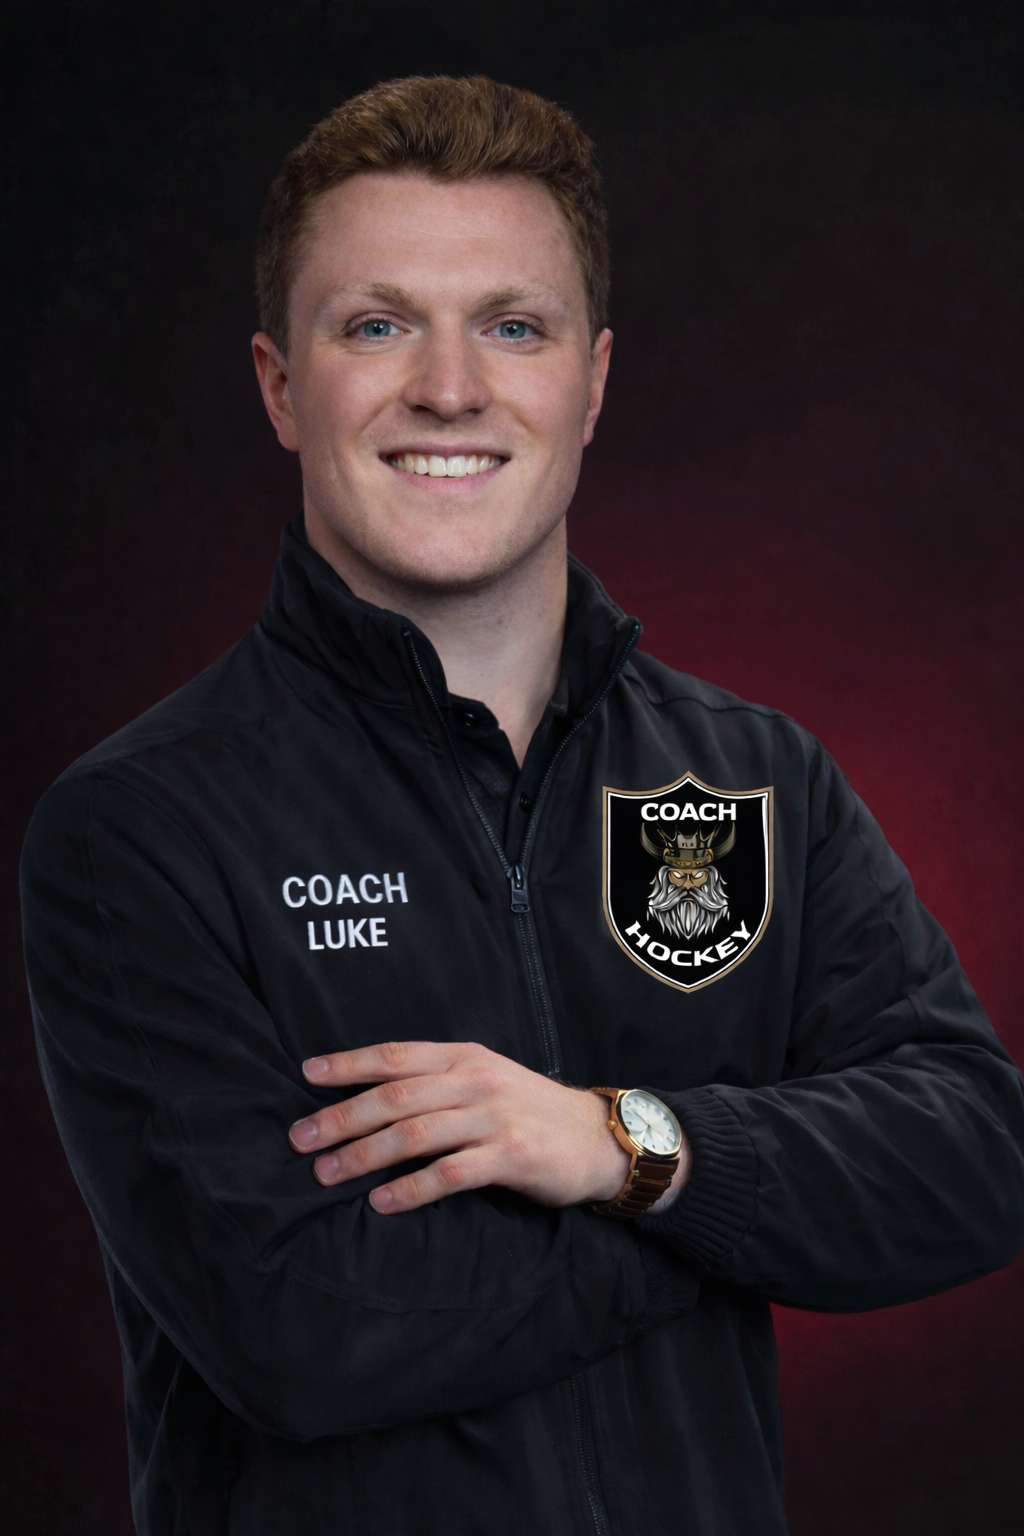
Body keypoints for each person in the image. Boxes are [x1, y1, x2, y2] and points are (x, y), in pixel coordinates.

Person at [20, 74, 1024, 1536]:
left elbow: (973, 1157)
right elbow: (301, 1330)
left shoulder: (756, 778)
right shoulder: (141, 832)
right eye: (377, 326)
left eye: (512, 325)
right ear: (279, 384)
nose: (449, 388)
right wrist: (717, 1213)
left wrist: (619, 1143)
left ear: (594, 380)